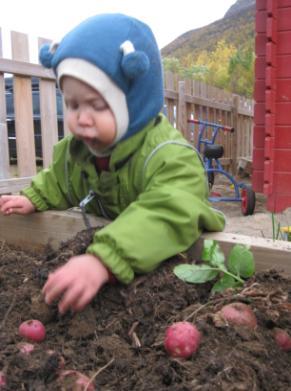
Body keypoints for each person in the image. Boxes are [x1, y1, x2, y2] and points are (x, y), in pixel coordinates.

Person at [0, 13, 225, 314]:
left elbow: (169, 211)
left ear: (134, 102)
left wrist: (103, 260)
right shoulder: (78, 151)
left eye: (97, 105)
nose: (81, 117)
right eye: (72, 104)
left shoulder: (171, 157)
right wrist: (34, 197)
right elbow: (61, 179)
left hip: (162, 260)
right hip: (110, 243)